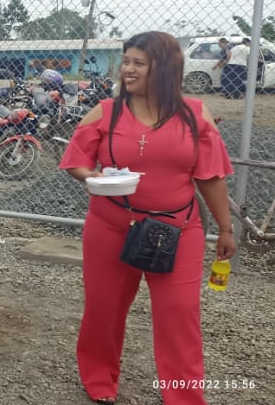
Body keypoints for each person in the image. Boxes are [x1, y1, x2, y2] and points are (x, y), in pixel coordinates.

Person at [59, 31, 236, 405]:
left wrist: (225, 228)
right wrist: (91, 177)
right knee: (104, 310)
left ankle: (184, 396)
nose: (128, 69)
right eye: (126, 61)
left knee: (179, 314)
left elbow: (210, 177)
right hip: (111, 227)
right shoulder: (106, 111)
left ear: (164, 68)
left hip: (178, 229)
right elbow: (75, 160)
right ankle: (99, 380)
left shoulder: (195, 114)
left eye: (139, 63)